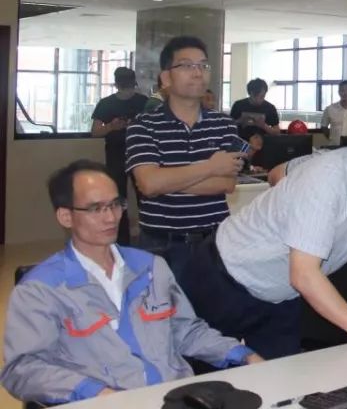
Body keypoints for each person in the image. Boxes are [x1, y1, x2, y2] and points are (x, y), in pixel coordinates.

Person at [0, 161, 259, 405]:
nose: (111, 217)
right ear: (65, 216)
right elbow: (22, 369)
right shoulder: (40, 289)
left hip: (176, 398)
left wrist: (241, 354)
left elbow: (186, 331)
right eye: (95, 208)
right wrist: (92, 391)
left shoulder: (151, 267)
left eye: (115, 204)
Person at [179, 108, 347, 359]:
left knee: (281, 380)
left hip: (281, 296)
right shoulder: (328, 178)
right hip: (224, 278)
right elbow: (304, 275)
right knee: (197, 377)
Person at [126, 36, 245, 275]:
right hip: (161, 243)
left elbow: (226, 184)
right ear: (166, 78)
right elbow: (148, 184)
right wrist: (211, 167)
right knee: (160, 301)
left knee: (213, 300)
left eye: (203, 65)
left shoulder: (224, 124)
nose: (198, 72)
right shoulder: (143, 125)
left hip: (214, 241)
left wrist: (165, 179)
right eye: (187, 65)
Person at [90, 67, 147, 244]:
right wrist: (112, 126)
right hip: (116, 154)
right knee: (118, 199)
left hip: (141, 153)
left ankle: (148, 236)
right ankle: (121, 240)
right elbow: (95, 132)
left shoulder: (144, 102)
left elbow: (155, 127)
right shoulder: (106, 104)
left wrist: (135, 125)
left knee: (145, 196)